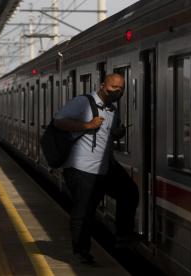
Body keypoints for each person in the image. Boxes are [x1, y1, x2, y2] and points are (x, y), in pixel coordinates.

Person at [53, 73, 139, 264]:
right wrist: (87, 124)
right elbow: (59, 121)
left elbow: (105, 135)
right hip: (81, 168)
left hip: (104, 166)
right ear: (102, 85)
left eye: (121, 88)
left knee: (130, 192)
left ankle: (123, 235)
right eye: (113, 87)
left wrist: (116, 133)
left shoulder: (112, 110)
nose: (118, 91)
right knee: (84, 211)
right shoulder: (83, 102)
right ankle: (81, 251)